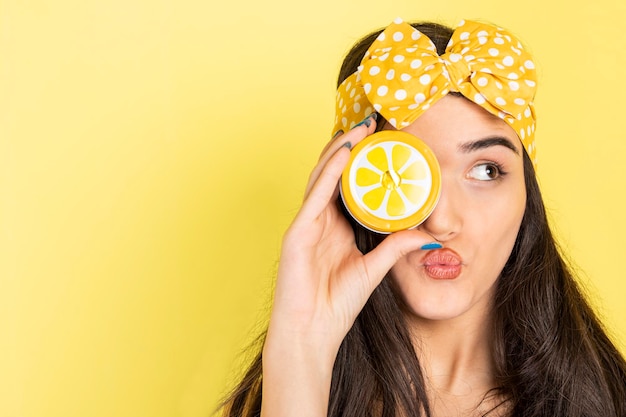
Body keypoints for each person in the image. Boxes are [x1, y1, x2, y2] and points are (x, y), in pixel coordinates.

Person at [217, 18, 626, 417]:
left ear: (526, 196)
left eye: (487, 170)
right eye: (406, 171)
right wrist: (302, 346)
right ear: (352, 189)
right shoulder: (290, 392)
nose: (441, 221)